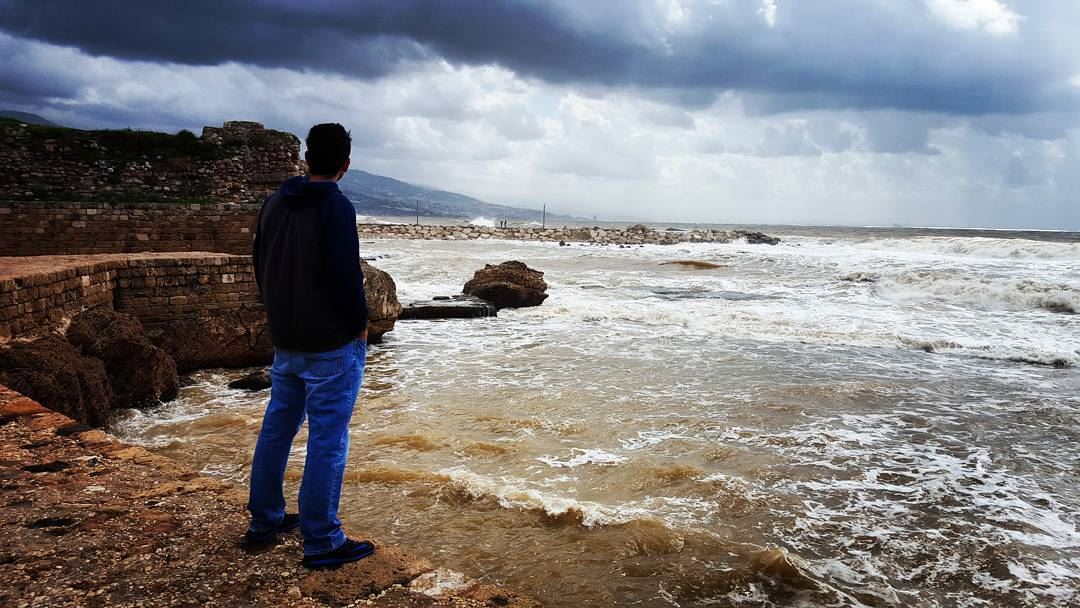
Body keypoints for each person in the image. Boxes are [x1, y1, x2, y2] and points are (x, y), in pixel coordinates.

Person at [245, 123, 374, 569]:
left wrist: (277, 315)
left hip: (286, 339)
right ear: (345, 164)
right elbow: (345, 274)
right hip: (330, 344)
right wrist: (360, 324)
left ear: (306, 158)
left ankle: (265, 519)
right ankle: (321, 540)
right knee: (327, 438)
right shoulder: (337, 207)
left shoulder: (274, 202)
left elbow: (260, 264)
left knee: (277, 429)